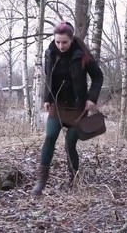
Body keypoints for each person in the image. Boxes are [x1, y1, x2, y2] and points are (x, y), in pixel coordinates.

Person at [31, 22, 103, 196]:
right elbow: (49, 76)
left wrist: (91, 98)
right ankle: (41, 183)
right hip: (58, 103)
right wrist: (47, 97)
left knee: (70, 143)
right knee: (50, 136)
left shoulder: (82, 55)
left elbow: (98, 77)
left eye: (64, 42)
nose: (61, 46)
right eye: (58, 42)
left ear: (71, 40)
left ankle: (74, 179)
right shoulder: (50, 53)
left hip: (78, 106)